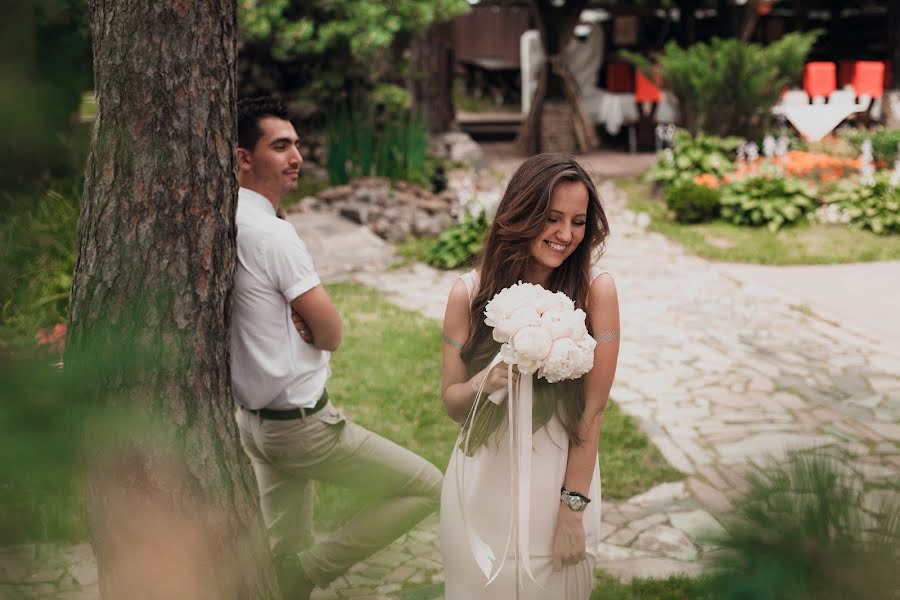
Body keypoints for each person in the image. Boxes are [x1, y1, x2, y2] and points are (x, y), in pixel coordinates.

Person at [230, 96, 442, 600]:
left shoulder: (227, 220)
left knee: (282, 548)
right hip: (303, 429)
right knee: (430, 486)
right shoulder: (271, 235)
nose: (296, 156)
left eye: (296, 144)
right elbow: (333, 333)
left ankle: (291, 577)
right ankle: (312, 570)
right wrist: (306, 319)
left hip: (256, 425)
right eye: (280, 146)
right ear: (243, 158)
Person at [439, 153, 620, 599]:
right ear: (521, 213)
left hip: (558, 478)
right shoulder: (468, 293)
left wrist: (572, 510)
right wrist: (485, 383)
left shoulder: (597, 292)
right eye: (552, 218)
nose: (565, 235)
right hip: (482, 479)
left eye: (578, 222)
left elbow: (593, 412)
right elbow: (450, 401)